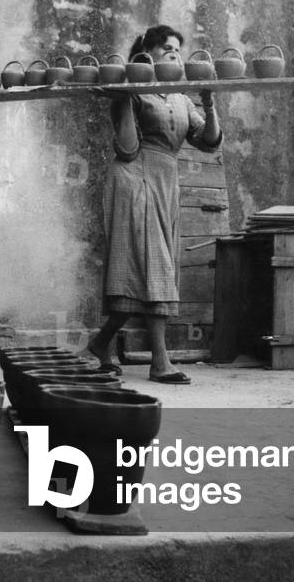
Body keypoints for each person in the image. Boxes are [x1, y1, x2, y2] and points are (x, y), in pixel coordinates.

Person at [85, 25, 223, 384]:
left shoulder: (179, 95)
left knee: (141, 271)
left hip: (164, 180)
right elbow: (128, 148)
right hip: (133, 176)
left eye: (178, 48)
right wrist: (128, 95)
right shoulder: (130, 90)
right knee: (151, 264)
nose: (174, 54)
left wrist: (209, 100)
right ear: (146, 52)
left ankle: (100, 344)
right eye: (166, 48)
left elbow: (208, 142)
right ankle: (161, 362)